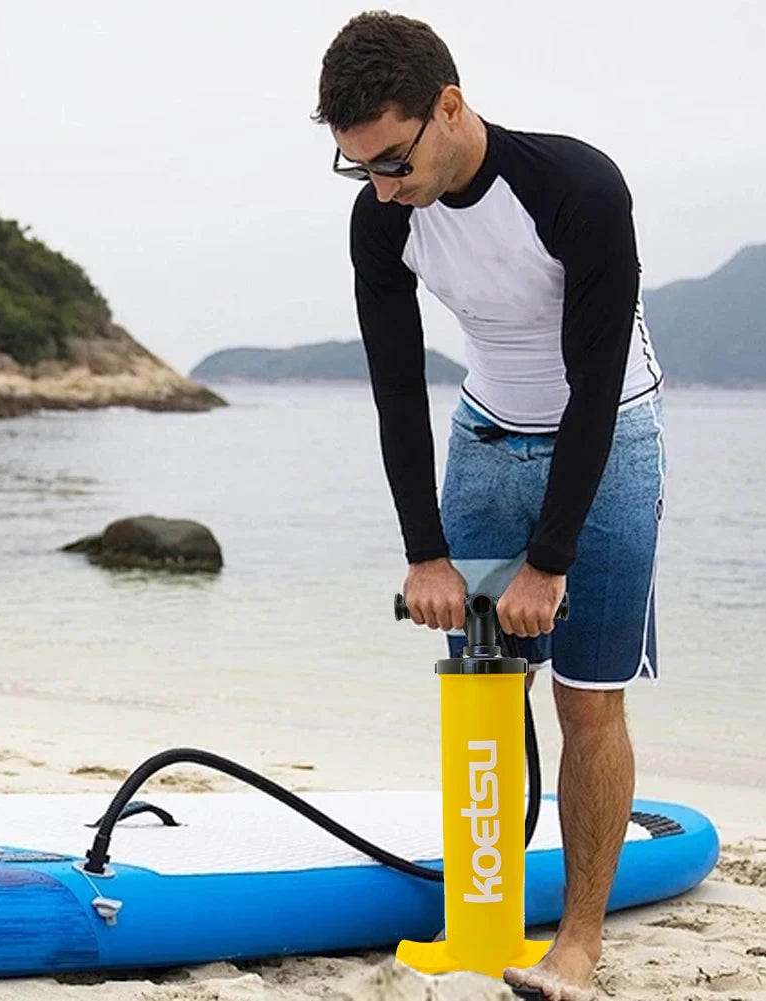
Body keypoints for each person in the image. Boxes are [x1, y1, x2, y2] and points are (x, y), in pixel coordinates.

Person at [315, 12, 665, 1001]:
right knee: (485, 690)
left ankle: (577, 943)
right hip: (482, 439)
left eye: (391, 160)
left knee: (585, 699)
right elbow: (395, 387)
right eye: (357, 168)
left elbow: (592, 384)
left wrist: (548, 560)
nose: (382, 187)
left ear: (448, 106)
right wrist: (422, 551)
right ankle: (485, 913)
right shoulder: (381, 217)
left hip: (608, 436)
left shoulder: (576, 189)